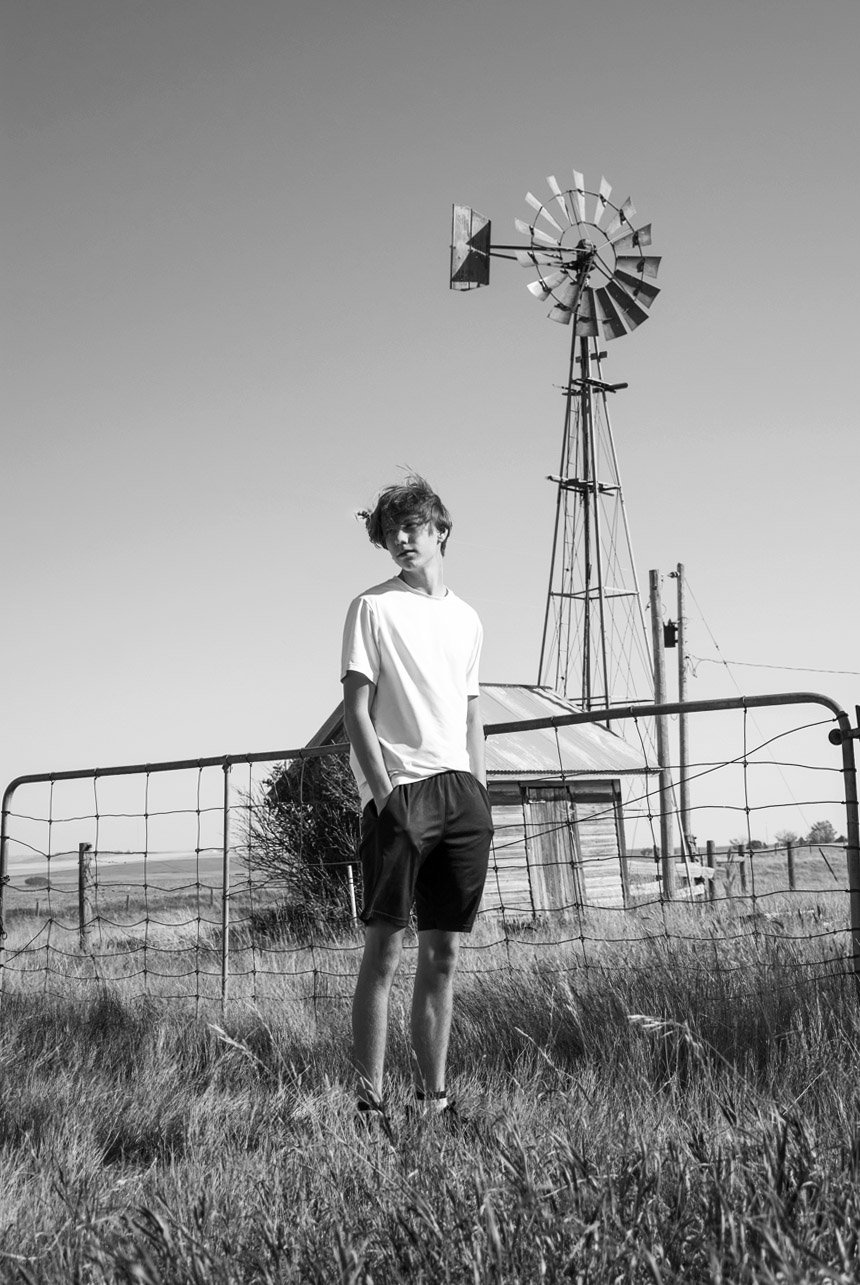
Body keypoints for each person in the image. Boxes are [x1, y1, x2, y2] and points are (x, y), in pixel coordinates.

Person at [341, 475, 493, 1130]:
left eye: (413, 527)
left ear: (440, 532)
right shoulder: (371, 608)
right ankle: (367, 1104)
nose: (401, 539)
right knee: (384, 949)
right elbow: (355, 711)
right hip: (400, 793)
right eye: (391, 531)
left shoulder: (468, 618)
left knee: (444, 954)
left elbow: (471, 712)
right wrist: (386, 797)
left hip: (460, 796)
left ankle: (434, 1099)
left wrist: (480, 794)